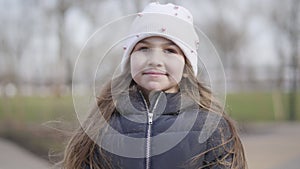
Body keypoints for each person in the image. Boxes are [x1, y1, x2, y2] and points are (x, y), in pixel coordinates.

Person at [62, 2, 247, 169]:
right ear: (129, 59)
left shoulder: (211, 128)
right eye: (144, 48)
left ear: (186, 66)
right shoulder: (102, 122)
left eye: (170, 50)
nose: (155, 60)